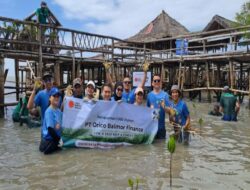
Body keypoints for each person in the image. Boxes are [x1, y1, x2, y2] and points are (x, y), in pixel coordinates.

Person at [39, 87, 63, 155]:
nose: (56, 97)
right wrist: (59, 139)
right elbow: (50, 129)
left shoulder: (58, 111)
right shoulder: (49, 111)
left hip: (55, 141)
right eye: (54, 96)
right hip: (48, 143)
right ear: (50, 98)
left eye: (58, 96)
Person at [147, 74, 170, 139]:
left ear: (160, 83)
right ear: (152, 83)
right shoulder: (149, 95)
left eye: (158, 80)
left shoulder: (165, 95)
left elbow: (169, 111)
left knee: (161, 148)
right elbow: (146, 112)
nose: (157, 82)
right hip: (151, 128)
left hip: (161, 128)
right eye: (155, 81)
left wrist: (164, 106)